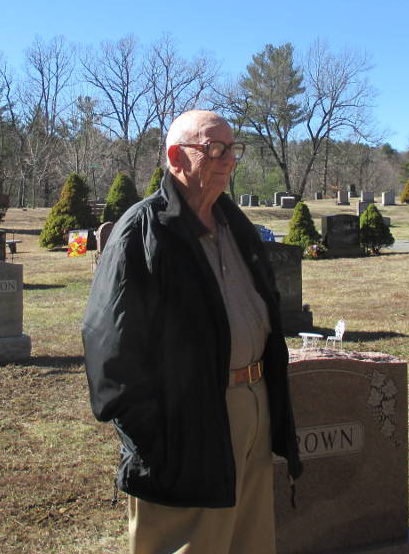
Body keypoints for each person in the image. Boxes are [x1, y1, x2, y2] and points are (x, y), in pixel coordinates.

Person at [82, 109, 302, 554]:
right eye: (212, 148)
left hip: (253, 408)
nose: (227, 159)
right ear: (176, 158)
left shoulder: (234, 224)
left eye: (232, 149)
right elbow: (109, 346)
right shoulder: (144, 232)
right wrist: (154, 442)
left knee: (250, 543)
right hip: (185, 427)